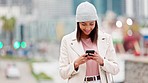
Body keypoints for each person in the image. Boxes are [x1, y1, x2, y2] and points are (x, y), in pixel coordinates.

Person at [59, 1, 119, 83]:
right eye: (83, 24)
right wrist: (76, 63)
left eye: (91, 24)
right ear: (78, 23)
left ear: (96, 22)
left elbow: (116, 69)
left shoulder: (106, 39)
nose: (87, 28)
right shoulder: (67, 40)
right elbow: (62, 73)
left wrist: (102, 61)